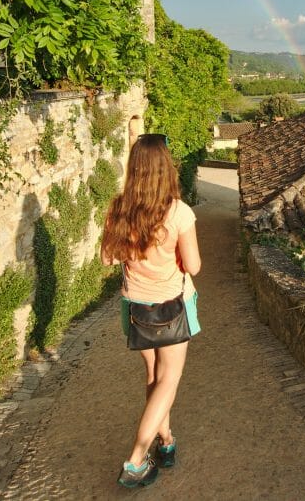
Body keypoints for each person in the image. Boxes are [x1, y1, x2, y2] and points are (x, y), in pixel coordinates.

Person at [101, 133, 202, 488]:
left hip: (136, 306)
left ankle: (167, 442)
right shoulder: (178, 213)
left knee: (154, 379)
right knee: (169, 379)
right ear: (165, 169)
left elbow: (106, 258)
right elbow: (193, 265)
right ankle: (135, 460)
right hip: (172, 305)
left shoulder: (118, 209)